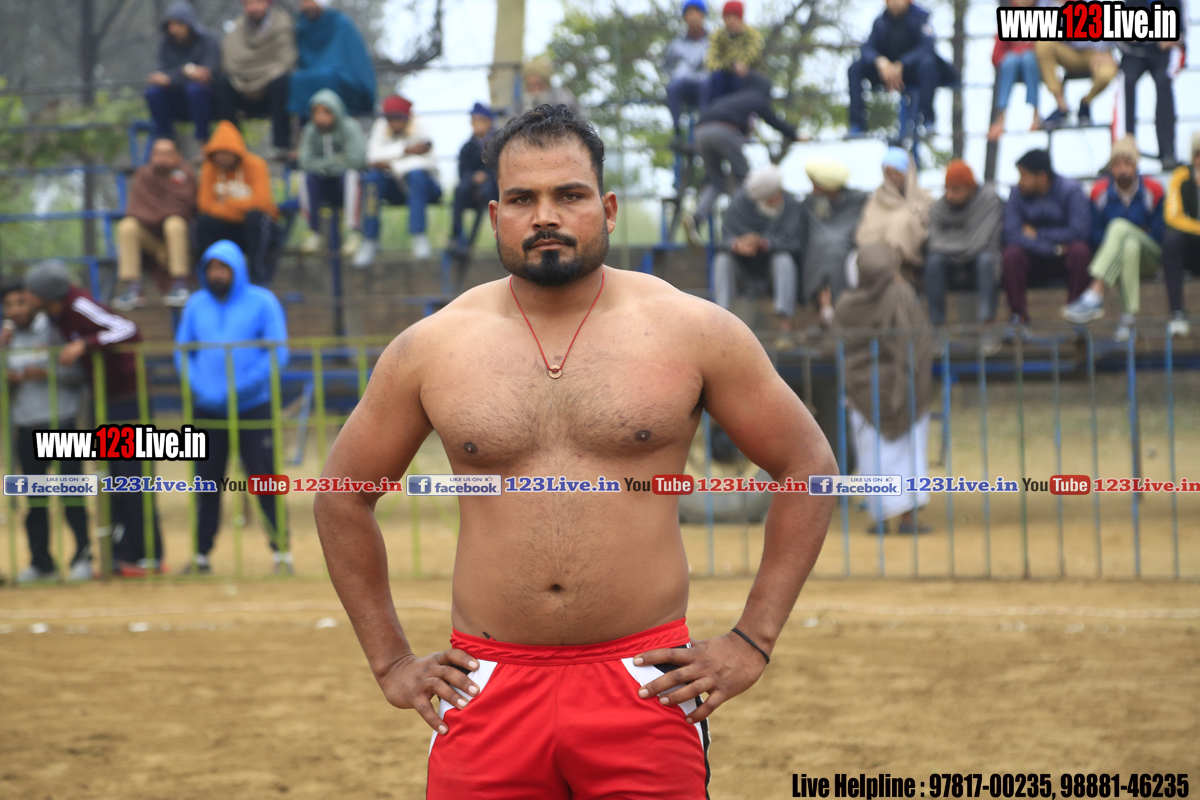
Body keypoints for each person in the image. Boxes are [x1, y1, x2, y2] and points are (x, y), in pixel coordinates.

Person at [312, 103, 837, 798]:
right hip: (486, 684)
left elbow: (808, 467)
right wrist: (390, 661)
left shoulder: (693, 330)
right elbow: (341, 496)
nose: (545, 217)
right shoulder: (432, 347)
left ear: (608, 208)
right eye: (522, 199)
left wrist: (753, 640)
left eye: (569, 195)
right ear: (495, 214)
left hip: (644, 681)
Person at [22, 262, 164, 575]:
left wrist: (85, 344)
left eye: (32, 293)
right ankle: (123, 556)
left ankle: (149, 555)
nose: (28, 298)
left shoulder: (79, 305)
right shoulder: (55, 316)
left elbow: (128, 329)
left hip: (128, 398)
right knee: (114, 480)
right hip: (103, 400)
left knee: (133, 477)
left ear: (46, 294)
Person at [175, 240, 291, 575]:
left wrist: (238, 390)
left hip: (253, 406)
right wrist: (201, 388)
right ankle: (201, 555)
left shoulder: (263, 302)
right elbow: (183, 352)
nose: (216, 274)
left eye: (223, 268)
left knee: (264, 478)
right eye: (211, 268)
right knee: (205, 482)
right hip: (207, 410)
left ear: (236, 269)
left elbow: (277, 354)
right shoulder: (195, 304)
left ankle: (282, 552)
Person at [835, 243, 934, 534]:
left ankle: (880, 520)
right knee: (909, 453)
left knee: (872, 455)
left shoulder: (846, 305)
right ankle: (907, 520)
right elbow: (918, 340)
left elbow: (837, 342)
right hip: (905, 388)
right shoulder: (901, 294)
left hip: (863, 391)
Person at [2, 285, 91, 583]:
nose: (16, 309)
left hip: (61, 423)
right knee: (35, 500)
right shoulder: (6, 340)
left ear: (33, 303)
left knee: (72, 494)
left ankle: (83, 556)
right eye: (9, 305)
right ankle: (41, 563)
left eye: (21, 302)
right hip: (25, 425)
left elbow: (80, 374)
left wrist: (48, 373)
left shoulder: (55, 332)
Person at [1061, 136, 1165, 341]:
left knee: (1119, 227)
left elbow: (1159, 234)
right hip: (1121, 259)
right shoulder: (1099, 192)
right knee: (1129, 246)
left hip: (1151, 257)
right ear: (1110, 167)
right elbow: (1093, 235)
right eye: (1117, 164)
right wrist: (1123, 241)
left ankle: (1095, 292)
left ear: (1136, 165)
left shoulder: (1153, 189)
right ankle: (1128, 320)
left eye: (1127, 163)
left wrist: (1124, 233)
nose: (1122, 169)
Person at [688, 72, 803, 229]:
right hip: (724, 130)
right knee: (746, 180)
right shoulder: (757, 98)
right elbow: (774, 121)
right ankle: (744, 222)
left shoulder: (733, 98)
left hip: (700, 132)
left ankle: (696, 217)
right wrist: (795, 135)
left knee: (716, 181)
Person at [1001, 148, 1091, 326]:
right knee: (1011, 255)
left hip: (1065, 259)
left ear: (1041, 177)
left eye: (1024, 175)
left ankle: (1075, 318)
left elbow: (1080, 231)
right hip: (1035, 257)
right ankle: (1018, 317)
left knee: (1080, 252)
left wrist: (1038, 234)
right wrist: (1052, 249)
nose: (1020, 182)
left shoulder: (1071, 190)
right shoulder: (1016, 194)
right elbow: (1011, 233)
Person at [847, 0, 958, 136]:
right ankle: (857, 125)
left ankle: (926, 119)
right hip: (887, 74)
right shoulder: (880, 22)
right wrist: (880, 61)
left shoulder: (921, 18)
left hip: (915, 73)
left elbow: (927, 46)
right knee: (854, 68)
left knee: (928, 64)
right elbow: (867, 48)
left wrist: (902, 63)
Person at [713, 165, 803, 332]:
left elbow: (794, 243)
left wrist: (764, 243)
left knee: (784, 260)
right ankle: (721, 318)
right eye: (775, 195)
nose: (779, 198)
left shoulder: (789, 204)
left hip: (771, 272)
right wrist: (737, 244)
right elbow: (723, 239)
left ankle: (785, 323)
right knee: (722, 260)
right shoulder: (739, 203)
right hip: (743, 269)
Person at [357, 95, 444, 263]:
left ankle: (418, 235)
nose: (394, 124)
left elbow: (427, 163)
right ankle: (370, 239)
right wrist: (406, 150)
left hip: (425, 187)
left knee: (417, 175)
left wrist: (390, 163)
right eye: (391, 120)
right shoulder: (381, 126)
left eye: (398, 119)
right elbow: (372, 158)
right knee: (372, 179)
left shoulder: (421, 126)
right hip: (397, 187)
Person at [113, 138, 196, 311]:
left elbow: (185, 208)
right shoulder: (144, 175)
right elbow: (137, 209)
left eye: (168, 154)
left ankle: (180, 284)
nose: (162, 158)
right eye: (158, 153)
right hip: (153, 243)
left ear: (178, 156)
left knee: (174, 223)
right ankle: (133, 289)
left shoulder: (185, 175)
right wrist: (159, 213)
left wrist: (157, 212)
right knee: (127, 226)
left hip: (180, 241)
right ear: (151, 156)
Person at [195, 121, 281, 286]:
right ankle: (208, 277)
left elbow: (262, 203)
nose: (223, 157)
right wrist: (241, 206)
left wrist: (225, 204)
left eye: (227, 153)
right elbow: (204, 205)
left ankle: (258, 278)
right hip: (227, 228)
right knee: (204, 223)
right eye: (219, 153)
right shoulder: (208, 168)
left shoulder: (256, 165)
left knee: (255, 218)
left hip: (255, 228)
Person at [925, 159, 1003, 327]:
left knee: (987, 260)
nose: (949, 195)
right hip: (950, 262)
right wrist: (966, 239)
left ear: (970, 188)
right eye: (946, 188)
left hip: (979, 259)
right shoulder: (939, 207)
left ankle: (987, 324)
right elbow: (934, 243)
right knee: (933, 262)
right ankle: (937, 327)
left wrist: (951, 238)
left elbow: (980, 241)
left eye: (955, 189)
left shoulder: (988, 201)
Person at [216, 0, 297, 153]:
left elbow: (285, 60)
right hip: (242, 86)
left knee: (282, 81)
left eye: (257, 3)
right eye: (248, 4)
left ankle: (281, 146)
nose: (253, 8)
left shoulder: (282, 26)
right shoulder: (237, 28)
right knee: (222, 84)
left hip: (271, 89)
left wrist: (261, 74)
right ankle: (233, 145)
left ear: (268, 4)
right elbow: (231, 61)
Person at [799, 157, 869, 326]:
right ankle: (821, 304)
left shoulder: (858, 201)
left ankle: (835, 307)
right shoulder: (810, 203)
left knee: (835, 253)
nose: (813, 189)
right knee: (821, 249)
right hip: (817, 252)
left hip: (845, 251)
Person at [1116, 0, 1186, 170]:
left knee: (1164, 83)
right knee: (1125, 81)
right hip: (1134, 54)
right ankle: (1122, 153)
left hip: (1164, 53)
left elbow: (1180, 33)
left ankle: (1167, 151)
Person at [297, 89, 367, 256]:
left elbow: (357, 160)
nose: (321, 117)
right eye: (316, 112)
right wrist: (337, 160)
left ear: (336, 111)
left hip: (345, 184)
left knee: (351, 176)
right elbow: (305, 162)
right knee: (305, 177)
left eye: (326, 112)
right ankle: (313, 232)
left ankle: (354, 233)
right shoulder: (310, 130)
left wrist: (323, 163)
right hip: (323, 184)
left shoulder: (350, 127)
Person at [145, 0, 221, 145]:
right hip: (176, 99)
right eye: (170, 24)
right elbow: (161, 74)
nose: (174, 29)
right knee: (153, 92)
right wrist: (187, 71)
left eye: (179, 23)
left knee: (194, 89)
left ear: (189, 23)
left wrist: (174, 76)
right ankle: (165, 141)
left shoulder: (208, 40)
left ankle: (203, 142)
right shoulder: (166, 43)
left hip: (207, 100)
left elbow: (206, 74)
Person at [855, 147, 932, 283]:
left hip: (914, 261)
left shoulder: (924, 198)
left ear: (908, 172)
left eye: (897, 172)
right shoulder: (878, 199)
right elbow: (867, 231)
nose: (893, 177)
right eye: (889, 173)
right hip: (880, 261)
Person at [289, 0, 377, 119]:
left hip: (342, 74)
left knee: (324, 80)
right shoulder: (302, 27)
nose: (307, 6)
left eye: (311, 2)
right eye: (304, 2)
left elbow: (350, 57)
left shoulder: (340, 22)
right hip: (314, 73)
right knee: (296, 80)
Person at [1160, 130, 1200, 337]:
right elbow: (1172, 217)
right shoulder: (1181, 176)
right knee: (1171, 241)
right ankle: (1177, 313)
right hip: (1191, 251)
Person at [987, 0, 1041, 142]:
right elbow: (996, 55)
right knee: (1010, 61)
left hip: (1033, 67)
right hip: (1011, 69)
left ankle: (1036, 114)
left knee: (1028, 59)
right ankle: (1001, 117)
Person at [449, 103, 498, 255]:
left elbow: (501, 167)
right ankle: (457, 236)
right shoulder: (467, 147)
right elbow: (462, 171)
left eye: (480, 120)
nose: (476, 124)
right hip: (471, 187)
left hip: (492, 187)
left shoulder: (498, 143)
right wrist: (473, 177)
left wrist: (486, 175)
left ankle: (501, 237)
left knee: (488, 192)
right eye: (473, 121)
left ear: (489, 122)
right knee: (459, 191)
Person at [1035, 38, 1117, 129]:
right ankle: (1061, 107)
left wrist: (1104, 50)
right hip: (1071, 52)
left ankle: (1085, 103)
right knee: (1043, 43)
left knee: (1107, 74)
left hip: (1099, 54)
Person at [664, 0, 711, 137]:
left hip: (704, 83)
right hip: (682, 82)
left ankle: (703, 128)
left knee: (707, 86)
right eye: (689, 14)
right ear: (684, 18)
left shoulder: (712, 41)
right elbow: (667, 66)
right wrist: (675, 75)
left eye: (696, 13)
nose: (692, 17)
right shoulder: (676, 43)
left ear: (703, 16)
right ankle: (677, 131)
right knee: (673, 87)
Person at [705, 1, 762, 103]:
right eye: (727, 17)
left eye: (734, 17)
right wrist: (732, 64)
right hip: (723, 75)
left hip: (745, 76)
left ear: (740, 18)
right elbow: (711, 60)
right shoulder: (718, 36)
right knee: (715, 79)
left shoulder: (752, 35)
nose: (731, 21)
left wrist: (740, 64)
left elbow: (752, 55)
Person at [518, 56, 585, 119]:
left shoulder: (562, 97)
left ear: (547, 84)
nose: (536, 90)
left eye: (540, 84)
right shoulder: (519, 105)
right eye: (530, 85)